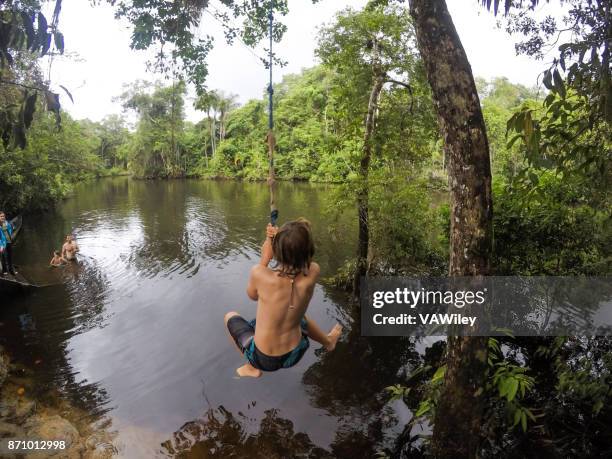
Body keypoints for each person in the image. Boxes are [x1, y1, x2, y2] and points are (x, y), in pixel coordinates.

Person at [224, 218, 342, 378]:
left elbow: (252, 295)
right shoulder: (313, 271)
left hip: (264, 359)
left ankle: (252, 367)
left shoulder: (259, 273)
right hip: (296, 352)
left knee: (229, 316)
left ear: (276, 252)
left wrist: (265, 257)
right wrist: (281, 238)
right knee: (299, 315)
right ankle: (328, 342)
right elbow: (302, 251)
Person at [0, 211, 16, 276]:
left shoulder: (6, 223)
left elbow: (10, 231)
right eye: (1, 216)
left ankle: (11, 270)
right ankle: (4, 270)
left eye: (3, 216)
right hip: (3, 243)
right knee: (3, 257)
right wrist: (1, 245)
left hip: (9, 241)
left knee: (10, 256)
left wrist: (11, 236)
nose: (2, 217)